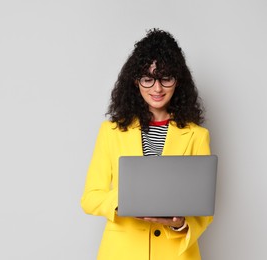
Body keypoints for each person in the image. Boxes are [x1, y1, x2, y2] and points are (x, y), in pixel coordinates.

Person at [80, 28, 213, 260]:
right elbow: (90, 197)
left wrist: (181, 224)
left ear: (177, 81)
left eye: (166, 78)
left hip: (175, 253)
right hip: (122, 252)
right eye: (148, 79)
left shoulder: (197, 136)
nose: (157, 88)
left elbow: (204, 208)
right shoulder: (111, 132)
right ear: (136, 81)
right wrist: (124, 202)